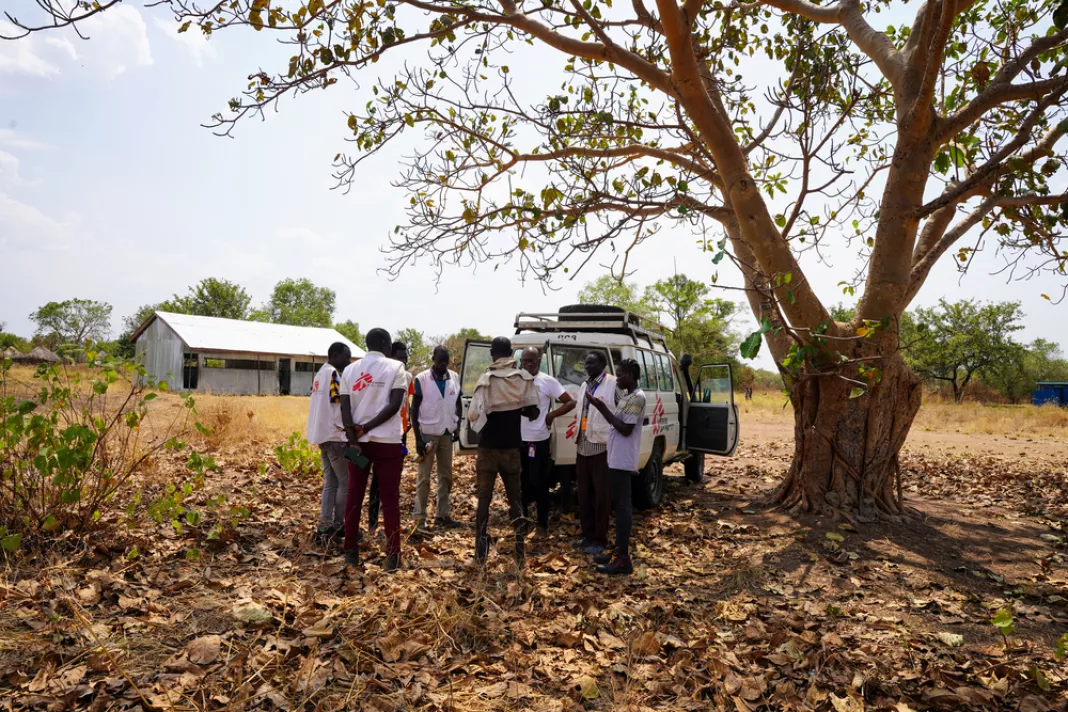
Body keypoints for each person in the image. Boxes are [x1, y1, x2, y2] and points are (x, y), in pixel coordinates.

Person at [340, 328, 409, 572]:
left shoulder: (349, 370)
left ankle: (351, 552)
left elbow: (345, 409)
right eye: (389, 344)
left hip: (358, 445)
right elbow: (394, 405)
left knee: (354, 497)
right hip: (387, 443)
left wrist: (354, 437)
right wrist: (368, 427)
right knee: (390, 500)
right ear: (384, 343)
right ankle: (392, 557)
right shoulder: (396, 368)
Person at [467, 336, 539, 565]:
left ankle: (480, 552)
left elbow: (473, 416)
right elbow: (533, 412)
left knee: (484, 501)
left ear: (492, 354)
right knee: (516, 500)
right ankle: (519, 551)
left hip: (488, 449)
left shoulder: (486, 380)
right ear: (511, 353)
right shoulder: (523, 379)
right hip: (511, 449)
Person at [586, 359, 645, 575]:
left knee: (622, 507)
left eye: (620, 375)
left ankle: (623, 559)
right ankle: (619, 550)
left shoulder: (637, 398)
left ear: (630, 374)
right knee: (618, 505)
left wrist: (601, 408)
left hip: (623, 458)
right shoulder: (629, 396)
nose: (617, 378)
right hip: (616, 457)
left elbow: (625, 429)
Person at [518, 346, 575, 538]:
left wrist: (551, 416)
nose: (529, 364)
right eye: (526, 360)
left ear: (539, 361)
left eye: (533, 361)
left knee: (539, 482)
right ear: (521, 361)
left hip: (539, 440)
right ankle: (523, 522)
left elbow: (570, 402)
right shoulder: (515, 380)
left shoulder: (547, 381)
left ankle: (542, 524)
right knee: (521, 483)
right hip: (519, 441)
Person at [411, 345, 464, 530]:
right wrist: (417, 438)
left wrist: (457, 424)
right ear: (433, 358)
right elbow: (414, 409)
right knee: (424, 477)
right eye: (440, 359)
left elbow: (458, 402)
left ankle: (442, 514)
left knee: (446, 476)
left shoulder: (454, 377)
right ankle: (419, 517)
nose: (443, 363)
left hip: (447, 433)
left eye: (446, 360)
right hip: (427, 434)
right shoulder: (422, 379)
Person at [573, 351, 619, 556]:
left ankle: (600, 539)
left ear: (602, 363)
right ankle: (588, 535)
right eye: (586, 363)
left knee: (602, 497)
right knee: (584, 495)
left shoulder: (613, 384)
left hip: (602, 447)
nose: (587, 366)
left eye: (591, 363)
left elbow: (622, 413)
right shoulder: (584, 385)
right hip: (582, 445)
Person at [306, 342, 352, 545]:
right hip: (335, 436)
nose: (348, 362)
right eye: (346, 357)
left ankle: (325, 525)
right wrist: (348, 430)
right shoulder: (333, 374)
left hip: (322, 435)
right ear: (334, 355)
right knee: (345, 482)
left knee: (330, 483)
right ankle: (340, 525)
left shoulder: (319, 374)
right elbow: (337, 405)